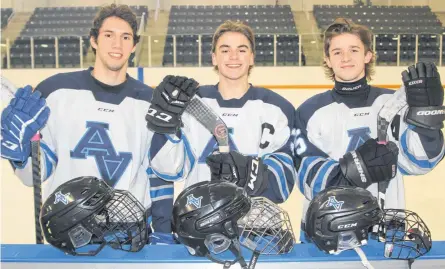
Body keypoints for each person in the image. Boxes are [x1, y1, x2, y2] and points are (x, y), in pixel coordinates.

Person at [0, 4, 195, 244]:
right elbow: (34, 176)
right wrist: (19, 156)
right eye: (109, 35)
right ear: (93, 40)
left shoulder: (149, 101)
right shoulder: (55, 91)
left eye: (125, 37)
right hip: (68, 229)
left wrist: (171, 131)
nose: (117, 44)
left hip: (129, 236)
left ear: (134, 45)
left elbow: (169, 172)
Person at [294, 18, 445, 241]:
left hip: (386, 227)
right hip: (327, 229)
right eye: (337, 52)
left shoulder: (394, 103)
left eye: (354, 50)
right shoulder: (308, 110)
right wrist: (357, 169)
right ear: (327, 60)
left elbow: (421, 162)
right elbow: (307, 177)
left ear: (368, 55)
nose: (345, 58)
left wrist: (427, 119)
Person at [146, 20, 296, 203]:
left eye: (241, 50)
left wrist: (248, 173)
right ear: (214, 58)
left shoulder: (277, 108)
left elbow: (282, 184)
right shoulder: (191, 104)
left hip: (254, 227)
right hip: (199, 222)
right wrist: (166, 132)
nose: (233, 57)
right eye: (225, 50)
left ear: (252, 57)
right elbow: (170, 170)